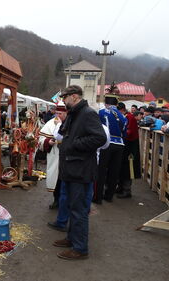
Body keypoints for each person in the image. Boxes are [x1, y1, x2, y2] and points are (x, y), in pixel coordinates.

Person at [53, 85, 106, 260]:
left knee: (79, 210)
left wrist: (75, 144)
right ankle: (72, 238)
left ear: (74, 96)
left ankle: (80, 248)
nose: (63, 100)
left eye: (65, 97)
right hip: (71, 169)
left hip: (80, 170)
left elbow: (99, 138)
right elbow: (65, 134)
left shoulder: (88, 113)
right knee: (71, 207)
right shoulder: (75, 113)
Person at [95, 84, 127, 203]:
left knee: (101, 170)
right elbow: (124, 131)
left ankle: (98, 197)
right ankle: (109, 196)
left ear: (106, 101)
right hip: (120, 145)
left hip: (106, 143)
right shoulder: (122, 116)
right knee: (114, 171)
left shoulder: (101, 112)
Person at [38, 101, 67, 211]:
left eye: (60, 114)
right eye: (57, 113)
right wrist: (47, 142)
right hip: (55, 156)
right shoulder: (50, 123)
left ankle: (64, 202)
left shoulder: (71, 123)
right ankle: (56, 200)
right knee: (56, 179)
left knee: (65, 180)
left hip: (67, 157)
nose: (57, 116)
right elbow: (40, 139)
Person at [116, 102, 141, 199]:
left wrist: (119, 133)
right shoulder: (125, 117)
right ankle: (120, 187)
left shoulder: (129, 117)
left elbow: (129, 132)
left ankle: (127, 190)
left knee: (128, 169)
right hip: (125, 146)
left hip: (130, 147)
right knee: (121, 167)